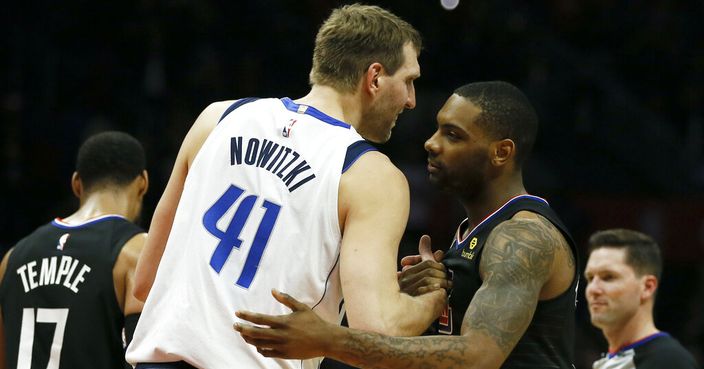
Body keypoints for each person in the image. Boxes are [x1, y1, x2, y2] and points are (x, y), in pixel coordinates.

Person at [126, 4, 446, 369]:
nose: (411, 99)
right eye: (408, 80)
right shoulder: (370, 174)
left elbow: (145, 282)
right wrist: (432, 300)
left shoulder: (216, 118)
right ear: (374, 78)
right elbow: (376, 327)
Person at [235, 81, 580, 369]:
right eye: (437, 128)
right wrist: (423, 300)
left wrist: (329, 338)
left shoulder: (523, 235)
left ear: (501, 153)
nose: (431, 142)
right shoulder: (472, 237)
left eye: (453, 135)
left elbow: (479, 356)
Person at [0, 131, 149, 369]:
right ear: (143, 182)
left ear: (76, 184)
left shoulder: (12, 258)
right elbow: (148, 360)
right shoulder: (136, 251)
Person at [584, 228, 699, 369]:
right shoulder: (613, 361)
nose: (593, 289)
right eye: (590, 278)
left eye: (608, 277)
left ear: (647, 287)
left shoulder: (669, 361)